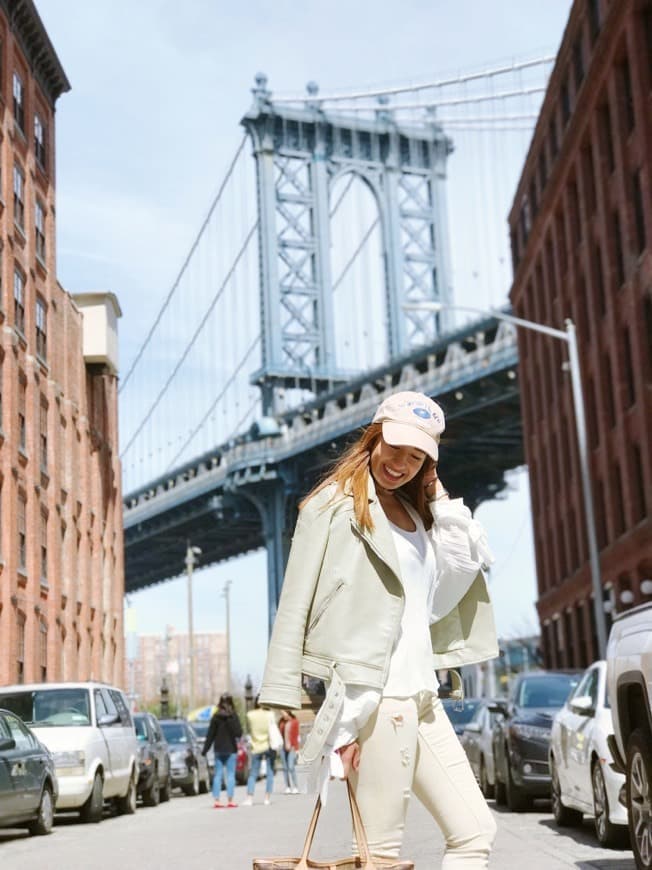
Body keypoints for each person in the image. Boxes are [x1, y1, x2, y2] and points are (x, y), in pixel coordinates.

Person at [260, 390, 499, 867]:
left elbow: (454, 579)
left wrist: (436, 494)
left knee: (474, 831)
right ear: (374, 436)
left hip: (424, 696)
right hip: (376, 696)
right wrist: (283, 693)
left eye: (418, 456)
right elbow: (295, 603)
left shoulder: (414, 514)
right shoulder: (331, 506)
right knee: (379, 853)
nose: (402, 464)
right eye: (396, 447)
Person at [202, 692, 243, 808]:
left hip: (218, 749)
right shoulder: (233, 716)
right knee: (230, 775)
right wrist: (232, 721)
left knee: (218, 775)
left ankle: (217, 801)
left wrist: (205, 750)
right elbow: (238, 733)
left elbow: (210, 735)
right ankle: (230, 800)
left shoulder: (216, 717)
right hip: (231, 749)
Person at [243, 695, 275, 806]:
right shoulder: (270, 714)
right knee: (270, 772)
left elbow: (249, 729)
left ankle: (250, 798)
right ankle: (267, 798)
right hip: (268, 745)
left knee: (253, 773)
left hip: (256, 746)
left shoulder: (250, 715)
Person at [279, 709, 300, 794]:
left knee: (291, 767)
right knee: (285, 768)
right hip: (283, 747)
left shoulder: (295, 721)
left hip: (292, 747)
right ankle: (287, 786)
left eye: (283, 713)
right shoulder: (281, 722)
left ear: (287, 712)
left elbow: (296, 735)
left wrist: (296, 748)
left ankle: (295, 786)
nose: (282, 715)